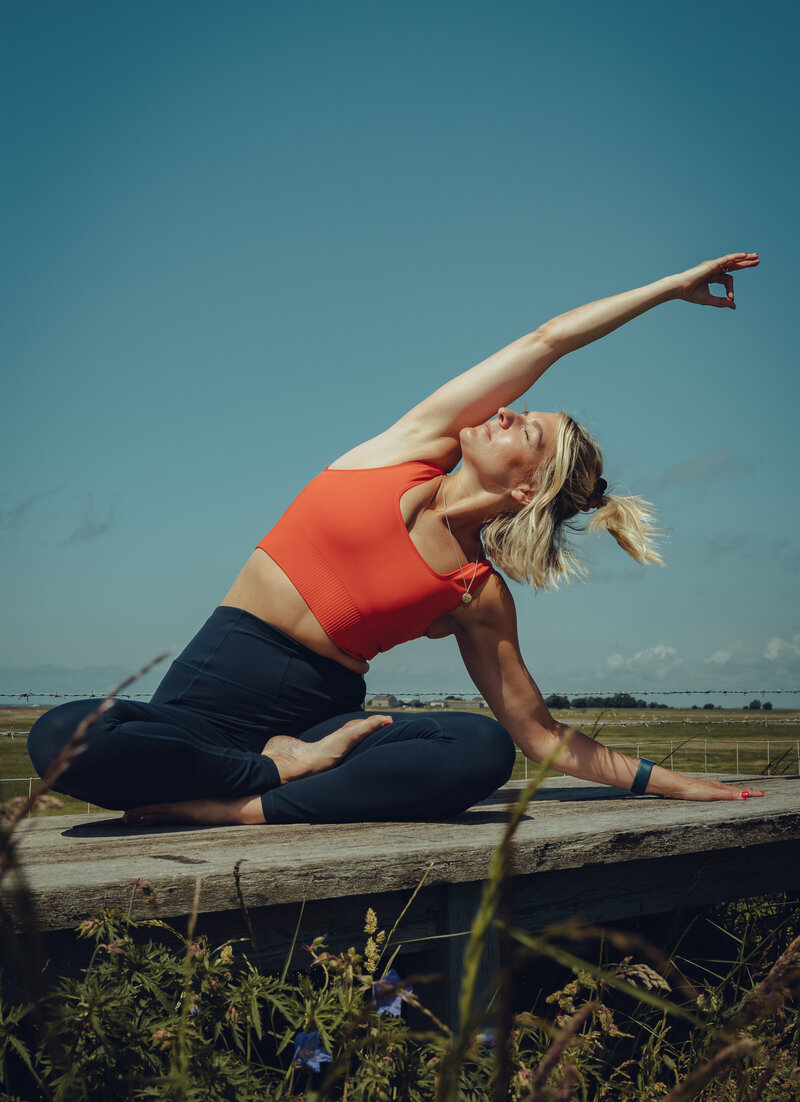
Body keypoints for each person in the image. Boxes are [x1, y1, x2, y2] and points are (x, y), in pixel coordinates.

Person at [28, 251, 763, 826]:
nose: (507, 411)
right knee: (60, 736)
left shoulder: (474, 593)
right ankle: (270, 774)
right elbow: (549, 339)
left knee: (480, 749)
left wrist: (678, 785)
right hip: (201, 706)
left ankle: (248, 806)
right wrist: (670, 287)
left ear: (526, 489)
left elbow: (541, 737)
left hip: (320, 720)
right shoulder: (405, 450)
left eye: (526, 429)